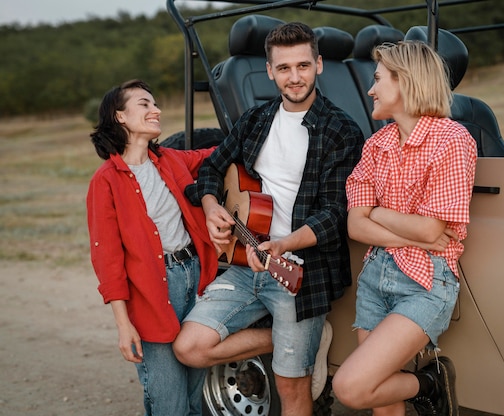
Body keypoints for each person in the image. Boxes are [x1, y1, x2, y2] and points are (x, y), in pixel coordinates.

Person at [172, 22, 364, 415]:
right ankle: (287, 338)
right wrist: (211, 207)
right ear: (270, 70)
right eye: (284, 68)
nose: (295, 78)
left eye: (303, 66)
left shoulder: (341, 130)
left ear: (319, 65)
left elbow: (335, 214)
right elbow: (210, 169)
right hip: (245, 263)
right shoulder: (256, 120)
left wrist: (284, 244)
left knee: (290, 388)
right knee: (189, 348)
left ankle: (300, 339)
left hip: (300, 274)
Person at [332, 41, 477, 416]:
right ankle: (426, 385)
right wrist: (390, 221)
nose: (370, 89)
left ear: (406, 82)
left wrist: (376, 213)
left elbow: (430, 231)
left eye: (378, 79)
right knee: (381, 399)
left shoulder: (451, 141)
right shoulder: (376, 145)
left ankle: (429, 382)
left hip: (425, 281)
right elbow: (356, 225)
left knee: (352, 387)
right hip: (376, 278)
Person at [86, 79, 219, 416]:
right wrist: (123, 324)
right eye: (144, 104)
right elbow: (107, 259)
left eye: (155, 103)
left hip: (197, 278)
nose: (155, 109)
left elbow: (216, 154)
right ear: (119, 116)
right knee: (170, 404)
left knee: (195, 397)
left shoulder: (171, 160)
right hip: (152, 292)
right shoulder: (106, 180)